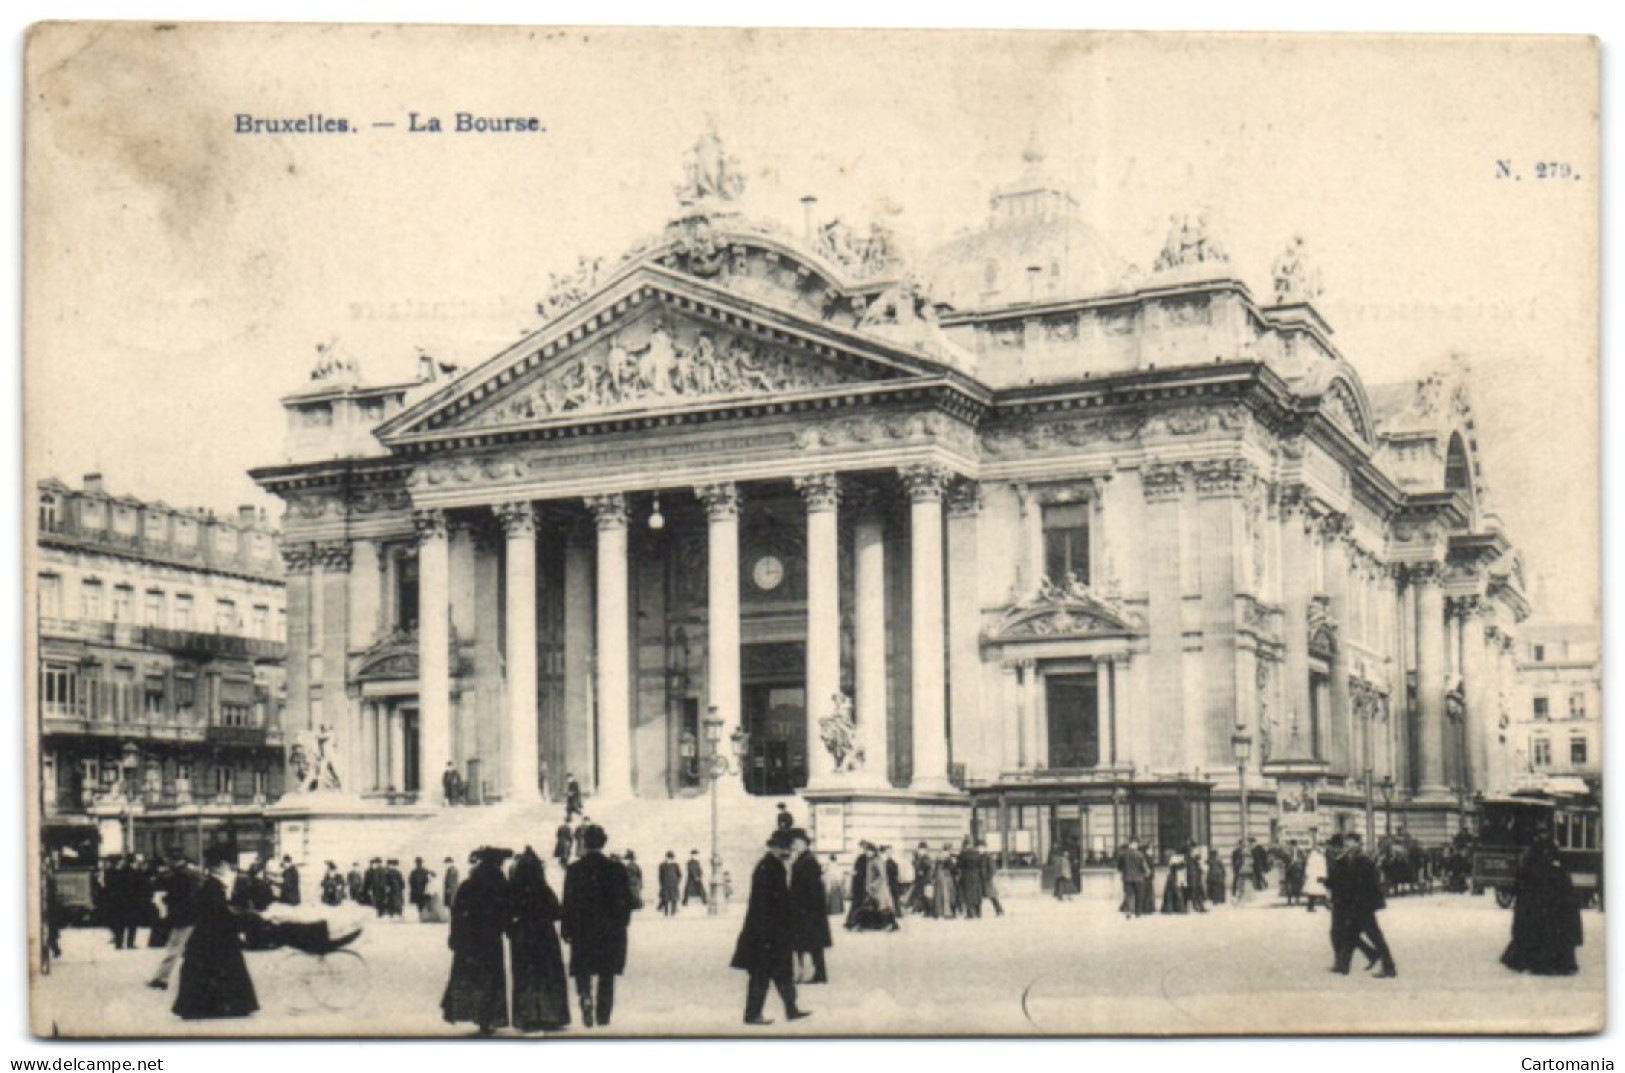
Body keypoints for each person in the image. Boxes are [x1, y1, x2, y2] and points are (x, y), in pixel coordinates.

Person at [732, 830, 812, 1025]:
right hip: (765, 935)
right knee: (761, 975)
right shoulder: (767, 868)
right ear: (774, 848)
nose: (788, 852)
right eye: (784, 848)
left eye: (789, 848)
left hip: (775, 933)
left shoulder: (775, 866)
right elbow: (762, 906)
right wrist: (766, 934)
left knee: (783, 973)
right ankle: (752, 1014)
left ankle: (791, 1009)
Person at [173, 846, 258, 1021]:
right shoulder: (212, 885)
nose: (228, 867)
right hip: (215, 935)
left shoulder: (211, 884)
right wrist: (240, 916)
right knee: (226, 968)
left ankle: (206, 1006)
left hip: (209, 935)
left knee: (206, 971)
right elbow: (218, 911)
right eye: (226, 864)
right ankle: (231, 1005)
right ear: (218, 865)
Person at [561, 824, 632, 1029]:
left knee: (583, 968)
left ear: (584, 842)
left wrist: (566, 928)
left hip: (583, 930)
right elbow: (625, 901)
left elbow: (568, 901)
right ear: (604, 842)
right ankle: (603, 1015)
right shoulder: (616, 868)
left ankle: (585, 996)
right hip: (609, 931)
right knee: (606, 972)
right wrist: (622, 923)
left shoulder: (574, 869)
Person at [441, 847, 512, 1035]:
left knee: (470, 976)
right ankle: (486, 1018)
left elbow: (457, 914)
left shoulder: (467, 885)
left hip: (468, 940)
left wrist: (454, 937)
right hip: (490, 940)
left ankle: (471, 1013)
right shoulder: (500, 884)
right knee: (490, 978)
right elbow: (506, 912)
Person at [1501, 831, 1583, 976]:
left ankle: (1535, 961)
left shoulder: (1531, 863)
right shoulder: (1557, 870)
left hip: (1537, 909)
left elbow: (1520, 885)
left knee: (1535, 931)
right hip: (1551, 910)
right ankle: (1557, 962)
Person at [508, 847, 571, 1032]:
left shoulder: (515, 891)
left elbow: (507, 912)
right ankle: (550, 1014)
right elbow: (557, 911)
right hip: (544, 936)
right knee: (547, 975)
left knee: (525, 976)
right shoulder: (543, 889)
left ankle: (527, 1015)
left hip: (522, 936)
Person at [1333, 832, 1395, 978]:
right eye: (1346, 844)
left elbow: (1364, 885)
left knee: (1374, 937)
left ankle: (1388, 966)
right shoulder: (1348, 859)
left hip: (1364, 906)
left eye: (1350, 843)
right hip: (1356, 905)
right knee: (1350, 934)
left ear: (1358, 845)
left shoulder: (1363, 861)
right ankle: (1345, 966)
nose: (1347, 846)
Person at [147, 857, 201, 991]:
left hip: (183, 918)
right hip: (195, 916)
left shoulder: (178, 877)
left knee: (174, 947)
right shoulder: (195, 876)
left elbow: (173, 897)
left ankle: (161, 978)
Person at [787, 830, 831, 984]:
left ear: (805, 844)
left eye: (797, 843)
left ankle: (817, 974)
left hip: (808, 909)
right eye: (794, 843)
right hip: (806, 909)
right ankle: (816, 973)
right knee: (810, 943)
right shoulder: (803, 859)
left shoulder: (808, 861)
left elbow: (811, 888)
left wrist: (804, 906)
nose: (795, 846)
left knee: (811, 944)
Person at [1119, 839, 1149, 918]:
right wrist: (1147, 872)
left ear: (1129, 844)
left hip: (1127, 878)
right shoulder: (1140, 854)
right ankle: (1138, 912)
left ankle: (1129, 911)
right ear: (1136, 845)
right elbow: (1144, 866)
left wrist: (1124, 872)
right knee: (1139, 895)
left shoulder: (1123, 854)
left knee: (1129, 895)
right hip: (1139, 878)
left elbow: (1119, 866)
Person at [958, 839, 986, 919]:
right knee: (977, 894)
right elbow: (981, 865)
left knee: (968, 895)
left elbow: (959, 865)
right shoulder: (977, 854)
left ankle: (970, 913)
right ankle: (978, 913)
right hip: (976, 875)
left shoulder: (963, 854)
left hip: (967, 875)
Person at [1302, 843, 1329, 913]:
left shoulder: (1320, 855)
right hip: (1315, 876)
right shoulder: (1314, 855)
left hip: (1317, 876)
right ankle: (1326, 904)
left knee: (1317, 891)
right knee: (1317, 891)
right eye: (1322, 847)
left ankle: (1311, 906)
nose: (1323, 849)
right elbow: (1311, 865)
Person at [1161, 849, 1188, 914]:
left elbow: (1171, 867)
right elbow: (1181, 870)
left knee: (1169, 894)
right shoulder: (1181, 860)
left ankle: (1168, 909)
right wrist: (1183, 881)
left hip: (1171, 878)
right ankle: (1181, 909)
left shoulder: (1172, 859)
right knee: (1178, 893)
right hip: (1176, 877)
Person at [1185, 844, 1207, 913]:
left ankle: (1200, 907)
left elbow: (1199, 867)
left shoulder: (1194, 859)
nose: (1194, 851)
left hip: (1196, 878)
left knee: (1198, 891)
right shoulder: (1188, 859)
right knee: (1193, 892)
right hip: (1191, 878)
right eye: (1193, 850)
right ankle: (1196, 907)